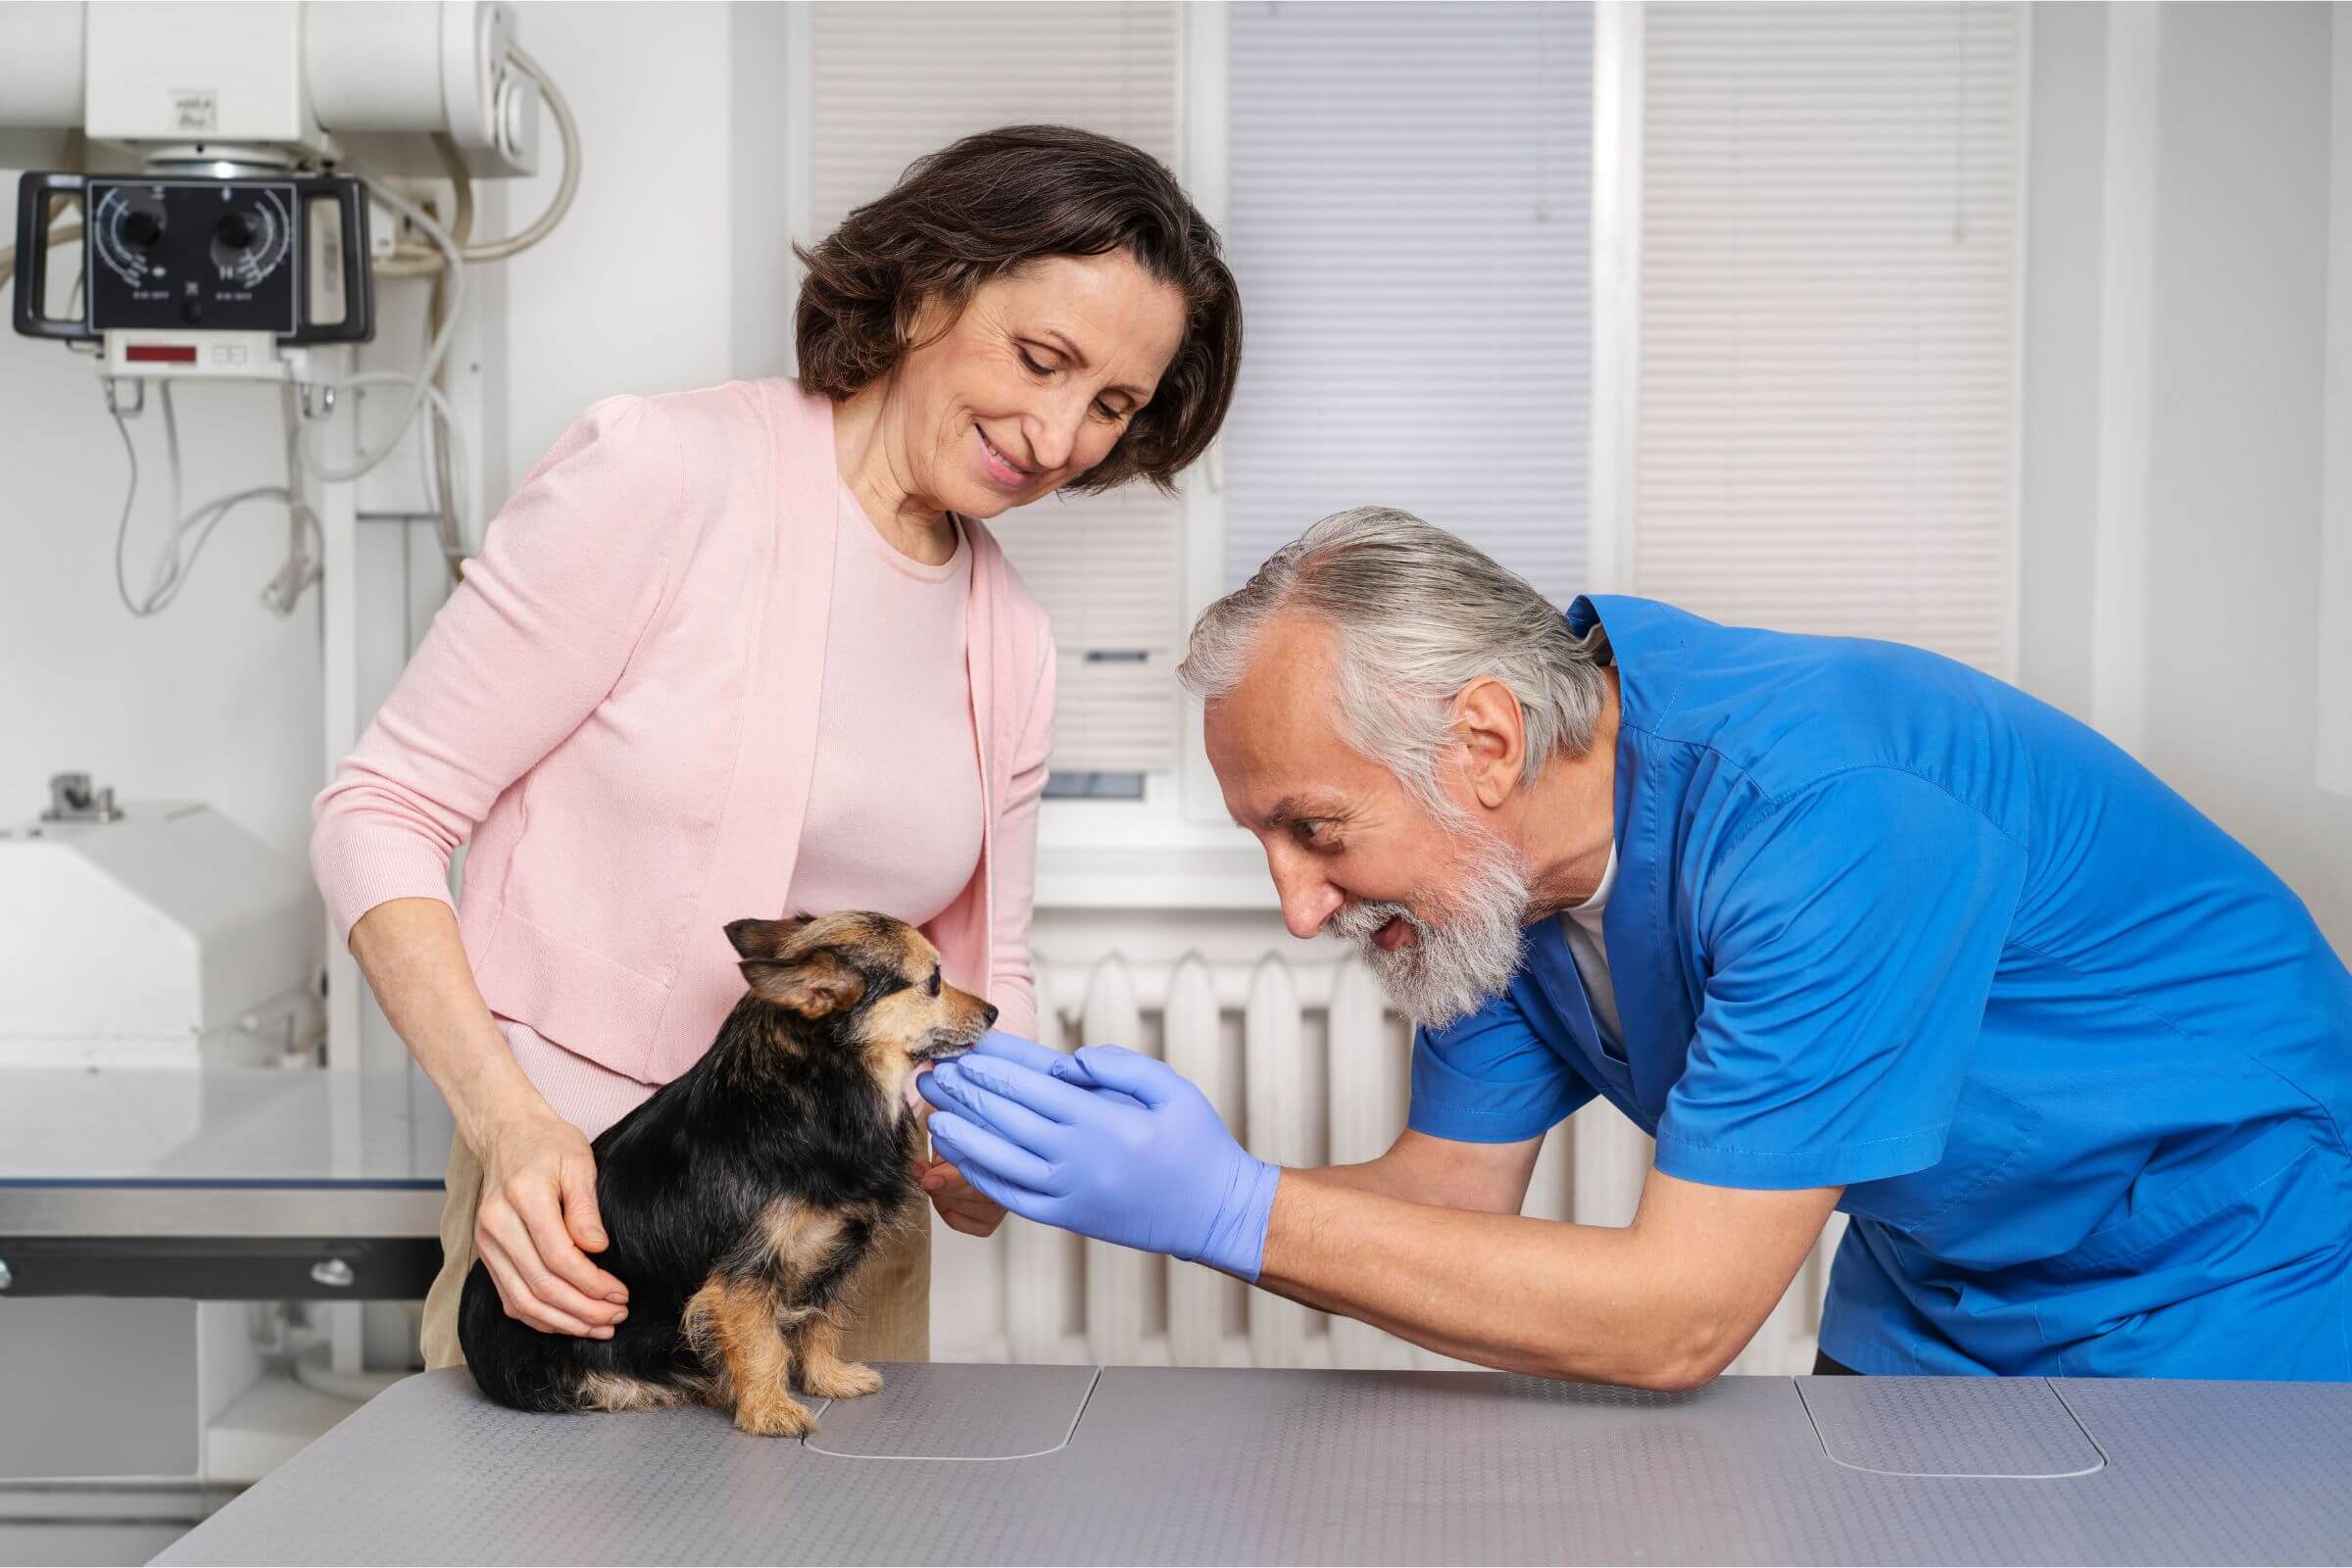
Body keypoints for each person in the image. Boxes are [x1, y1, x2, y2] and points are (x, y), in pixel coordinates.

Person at [922, 506, 2352, 1383]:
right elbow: (1449, 1201)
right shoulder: (1490, 886)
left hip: (2219, 1272)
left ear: (1482, 739)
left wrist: (1225, 1207)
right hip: (1942, 1288)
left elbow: (1681, 1320)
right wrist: (1099, 1179)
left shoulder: (1828, 824)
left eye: (1315, 830)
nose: (1303, 909)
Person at [313, 125, 1242, 1369]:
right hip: (590, 1219)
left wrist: (983, 1146)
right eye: (1041, 357)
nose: (1061, 432)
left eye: (1112, 404)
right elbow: (380, 809)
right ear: (926, 289)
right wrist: (508, 1125)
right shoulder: (664, 472)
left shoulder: (1009, 635)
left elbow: (983, 963)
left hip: (836, 1265)